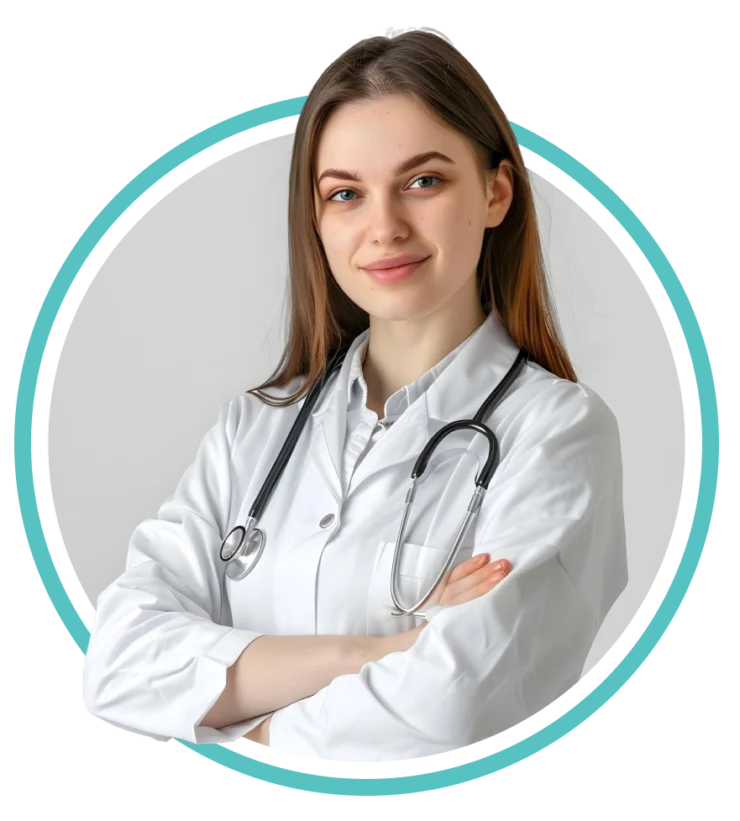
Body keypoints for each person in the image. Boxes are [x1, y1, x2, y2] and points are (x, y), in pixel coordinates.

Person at [81, 28, 628, 767]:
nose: (384, 228)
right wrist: (382, 651)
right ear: (317, 218)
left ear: (496, 191)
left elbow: (453, 706)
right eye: (345, 194)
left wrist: (244, 730)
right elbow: (113, 660)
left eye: (424, 181)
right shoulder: (256, 429)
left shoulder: (558, 433)